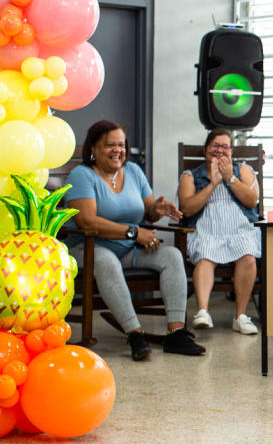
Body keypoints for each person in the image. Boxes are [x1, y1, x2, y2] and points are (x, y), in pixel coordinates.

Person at [64, 120, 205, 361]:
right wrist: (133, 232)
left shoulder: (133, 172)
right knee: (107, 262)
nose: (117, 150)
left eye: (121, 145)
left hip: (128, 249)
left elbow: (148, 211)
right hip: (89, 248)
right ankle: (135, 334)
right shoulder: (82, 175)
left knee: (172, 255)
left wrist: (157, 210)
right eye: (110, 145)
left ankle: (176, 332)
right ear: (93, 149)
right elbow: (87, 222)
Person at [177, 129, 261, 335]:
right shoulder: (191, 176)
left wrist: (229, 178)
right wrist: (213, 183)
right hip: (207, 227)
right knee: (205, 256)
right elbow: (187, 208)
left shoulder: (242, 170)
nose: (219, 151)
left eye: (225, 147)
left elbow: (252, 201)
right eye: (215, 146)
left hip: (239, 227)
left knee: (248, 256)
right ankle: (203, 312)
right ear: (206, 150)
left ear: (231, 151)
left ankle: (240, 316)